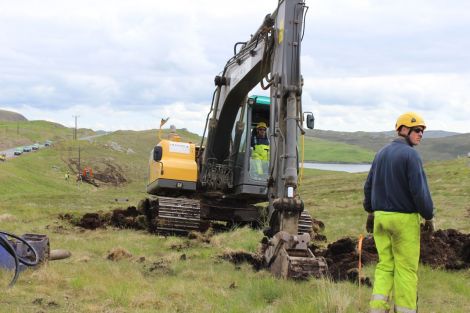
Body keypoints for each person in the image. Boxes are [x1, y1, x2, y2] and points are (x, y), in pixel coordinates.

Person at [363, 112, 435, 313]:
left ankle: (377, 309)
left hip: (380, 219)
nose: (420, 134)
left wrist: (370, 211)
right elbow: (419, 192)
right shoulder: (411, 155)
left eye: (422, 131)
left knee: (385, 266)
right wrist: (428, 216)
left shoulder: (380, 154)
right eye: (417, 130)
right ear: (403, 130)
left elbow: (368, 186)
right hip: (403, 221)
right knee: (406, 270)